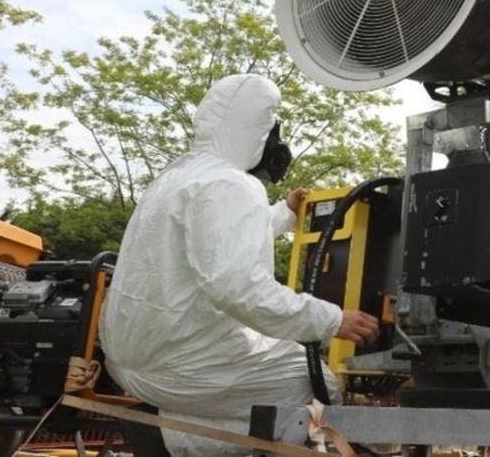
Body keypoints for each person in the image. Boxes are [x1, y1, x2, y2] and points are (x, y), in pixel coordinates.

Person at [100, 73, 379, 455]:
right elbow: (240, 288)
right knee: (317, 384)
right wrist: (333, 319)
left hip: (127, 361)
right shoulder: (232, 184)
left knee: (266, 377)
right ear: (254, 131)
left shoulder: (176, 179)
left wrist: (284, 213)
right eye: (270, 130)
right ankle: (171, 440)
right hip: (180, 366)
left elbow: (217, 240)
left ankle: (165, 433)